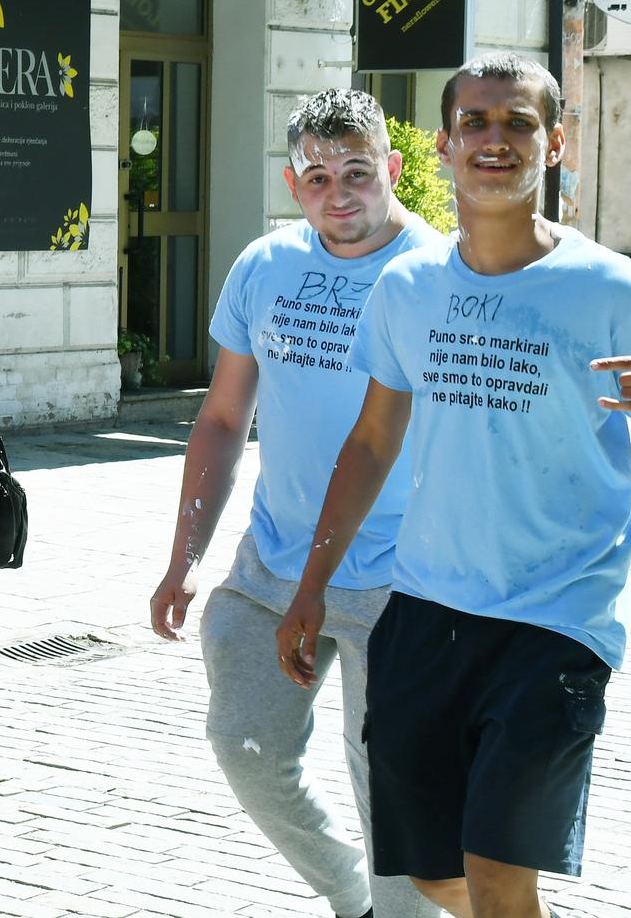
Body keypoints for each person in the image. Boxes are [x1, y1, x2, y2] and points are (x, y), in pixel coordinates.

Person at [277, 53, 631, 918]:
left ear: (553, 144)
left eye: (517, 123)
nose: (494, 139)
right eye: (475, 122)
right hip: (427, 614)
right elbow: (368, 444)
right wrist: (310, 587)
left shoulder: (607, 288)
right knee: (433, 875)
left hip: (555, 620)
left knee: (499, 873)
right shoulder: (407, 286)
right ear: (442, 144)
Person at [148, 88, 441, 918]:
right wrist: (186, 558)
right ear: (291, 180)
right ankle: (352, 897)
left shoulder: (436, 273)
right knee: (243, 747)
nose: (337, 192)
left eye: (356, 171)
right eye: (316, 175)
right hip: (271, 565)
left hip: (403, 581)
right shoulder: (264, 265)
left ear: (390, 167)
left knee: (390, 791)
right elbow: (219, 418)